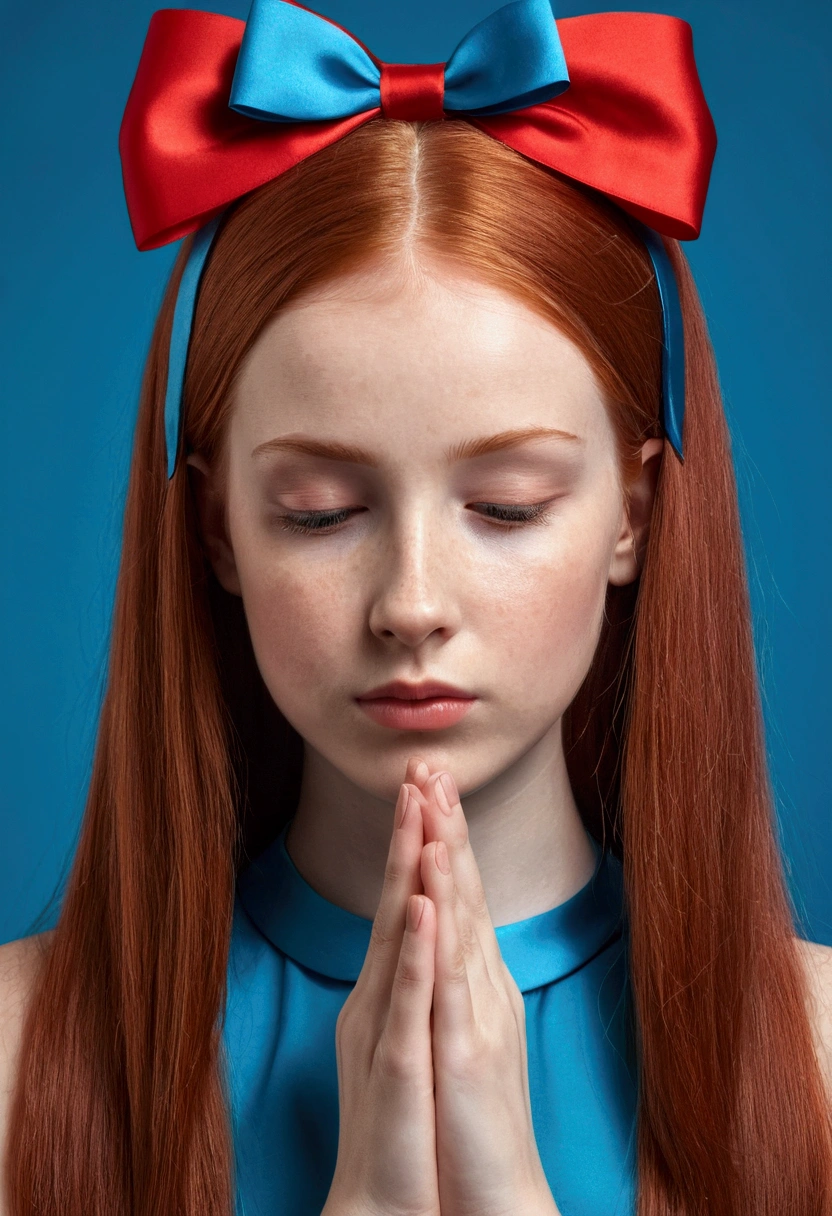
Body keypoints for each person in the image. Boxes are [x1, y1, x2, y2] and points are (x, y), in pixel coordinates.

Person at [1, 2, 832, 1214]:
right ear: (214, 527)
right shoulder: (18, 1068)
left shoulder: (817, 1067)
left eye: (503, 505)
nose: (412, 604)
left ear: (635, 515)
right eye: (319, 512)